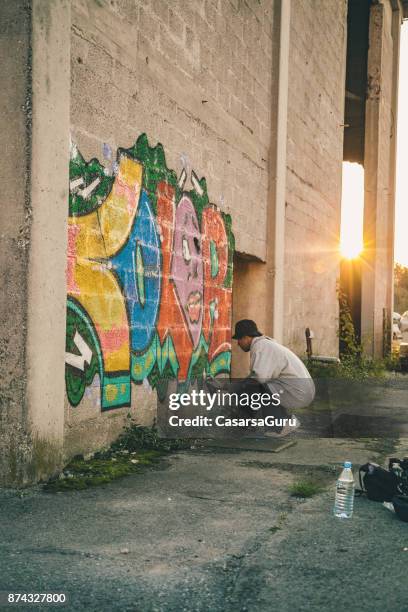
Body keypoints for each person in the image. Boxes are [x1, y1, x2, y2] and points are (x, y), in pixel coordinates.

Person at [232, 319, 315, 432]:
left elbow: (258, 379)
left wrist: (231, 388)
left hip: (297, 392)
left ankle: (281, 426)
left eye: (239, 339)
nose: (238, 344)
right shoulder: (265, 344)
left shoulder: (260, 346)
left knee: (253, 388)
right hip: (299, 389)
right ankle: (247, 424)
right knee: (253, 387)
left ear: (246, 337)